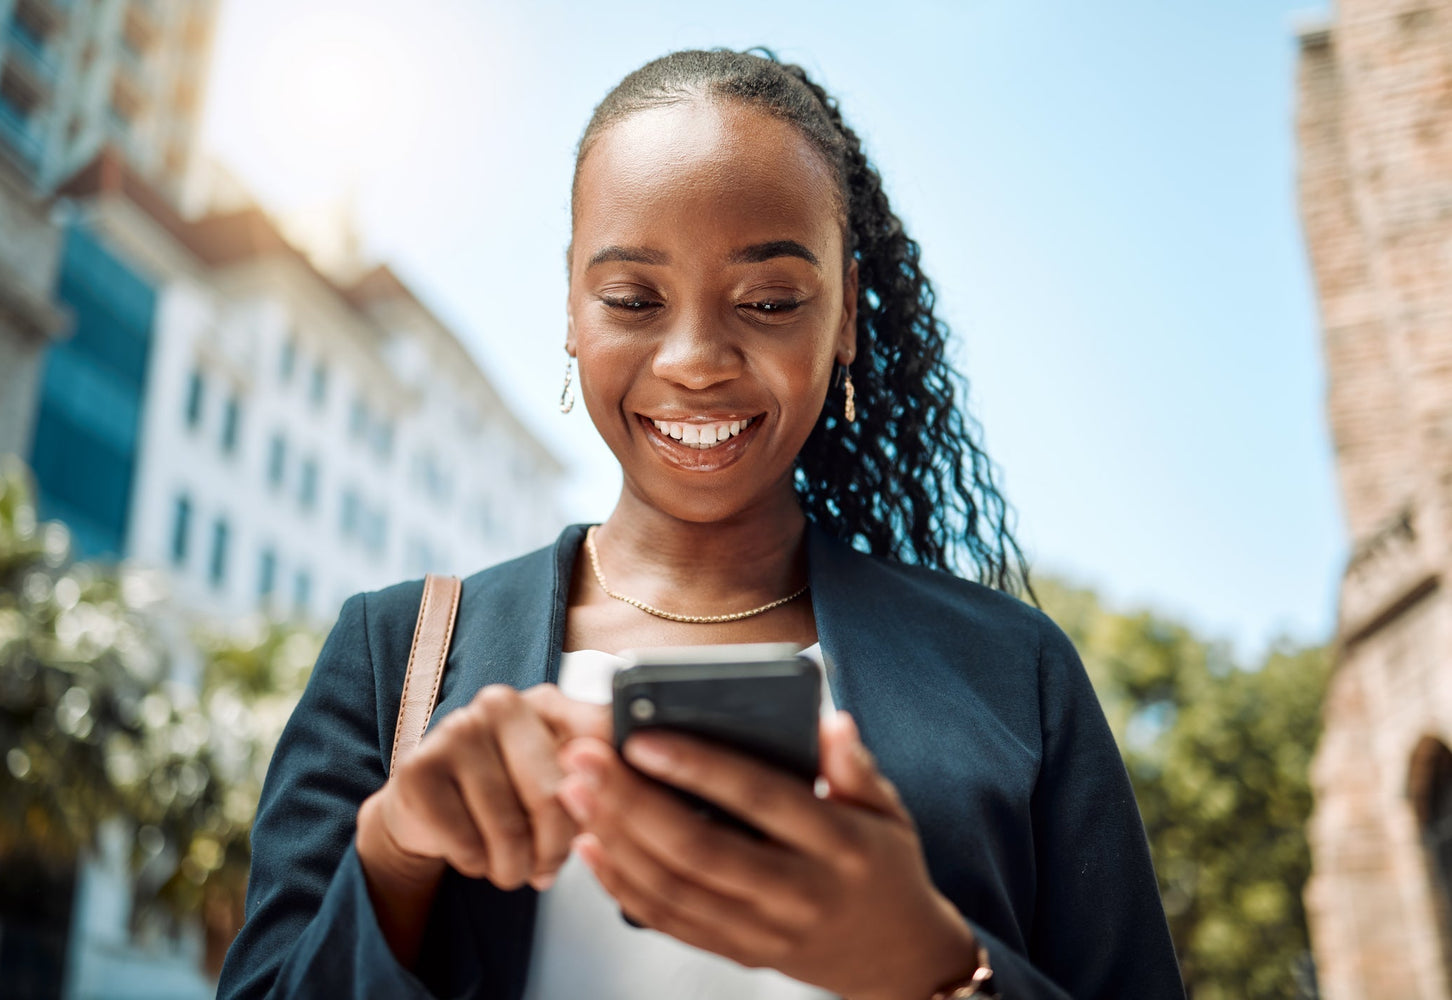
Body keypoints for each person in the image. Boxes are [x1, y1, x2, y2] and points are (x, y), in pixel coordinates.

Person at [217, 48, 1186, 1000]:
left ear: (845, 314)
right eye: (633, 299)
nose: (694, 360)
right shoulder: (395, 658)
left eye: (769, 300)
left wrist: (935, 970)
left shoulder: (1014, 672)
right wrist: (393, 857)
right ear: (570, 305)